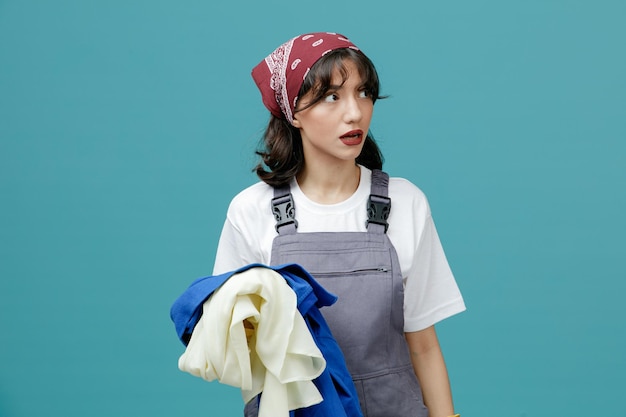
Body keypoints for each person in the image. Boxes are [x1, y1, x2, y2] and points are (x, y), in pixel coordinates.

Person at [213, 32, 466, 417]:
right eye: (332, 96)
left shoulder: (405, 203)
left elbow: (424, 345)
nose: (355, 112)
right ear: (293, 112)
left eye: (364, 93)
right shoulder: (251, 211)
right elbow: (240, 357)